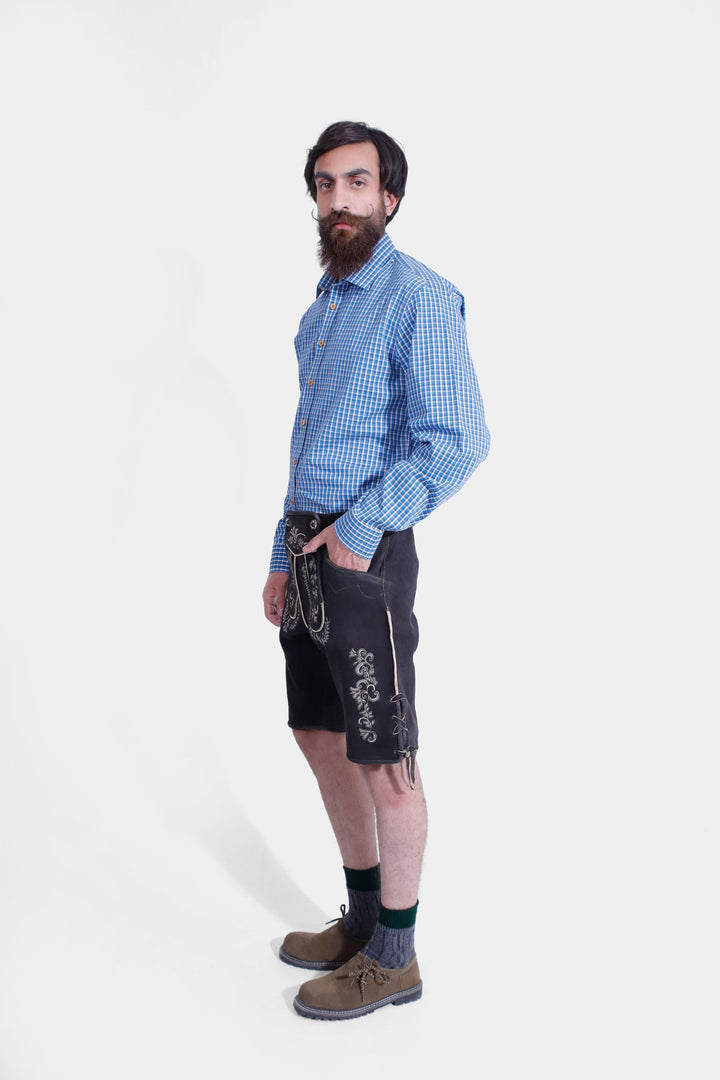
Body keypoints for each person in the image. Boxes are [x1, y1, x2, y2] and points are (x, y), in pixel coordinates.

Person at [262, 121, 490, 1020]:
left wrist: (357, 532)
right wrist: (281, 555)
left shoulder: (419, 298)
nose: (338, 200)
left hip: (368, 551)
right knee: (318, 736)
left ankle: (396, 954)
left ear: (389, 198)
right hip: (309, 543)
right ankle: (361, 920)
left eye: (356, 183)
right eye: (324, 185)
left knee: (386, 756)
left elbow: (459, 440)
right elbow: (305, 449)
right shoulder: (322, 311)